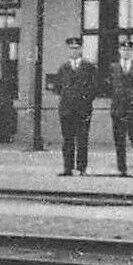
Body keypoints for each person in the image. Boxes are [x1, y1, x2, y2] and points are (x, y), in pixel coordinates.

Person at [53, 36, 98, 176]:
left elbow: (95, 87)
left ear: (81, 49)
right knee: (67, 140)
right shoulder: (63, 68)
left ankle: (81, 168)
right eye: (71, 48)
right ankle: (67, 168)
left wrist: (85, 100)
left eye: (76, 48)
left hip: (83, 109)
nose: (74, 51)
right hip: (66, 109)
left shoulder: (89, 67)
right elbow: (57, 87)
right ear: (68, 50)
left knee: (82, 139)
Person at [107, 37, 133, 176]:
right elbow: (109, 87)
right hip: (118, 110)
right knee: (119, 141)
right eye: (124, 49)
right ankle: (122, 169)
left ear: (132, 52)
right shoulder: (113, 67)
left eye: (129, 50)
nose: (126, 52)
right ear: (119, 51)